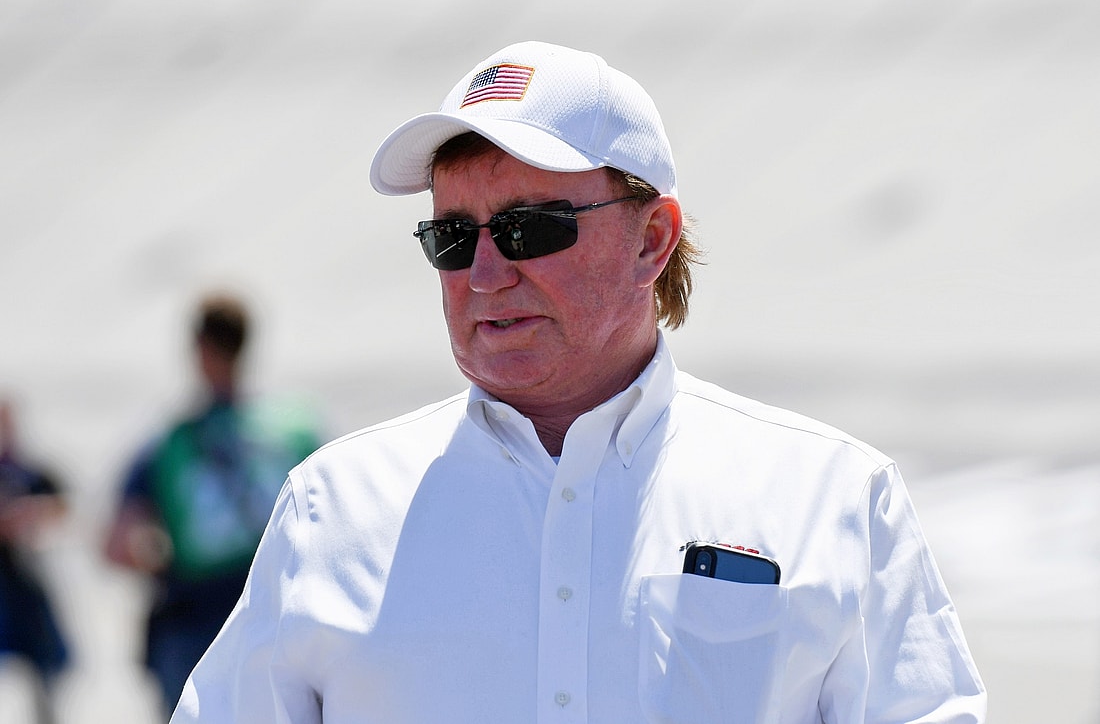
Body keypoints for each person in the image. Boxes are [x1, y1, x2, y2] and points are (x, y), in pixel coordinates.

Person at [172, 42, 986, 723]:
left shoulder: (833, 497)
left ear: (652, 239)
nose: (485, 272)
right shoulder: (333, 510)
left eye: (531, 227)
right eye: (452, 237)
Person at [105, 293, 321, 718]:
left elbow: (115, 545)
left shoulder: (169, 443)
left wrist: (162, 558)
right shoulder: (297, 427)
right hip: (282, 613)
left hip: (195, 623)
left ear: (200, 350)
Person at [0, 398, 69, 724]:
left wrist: (30, 514)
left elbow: (63, 507)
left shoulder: (30, 472)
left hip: (28, 594)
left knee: (42, 693)